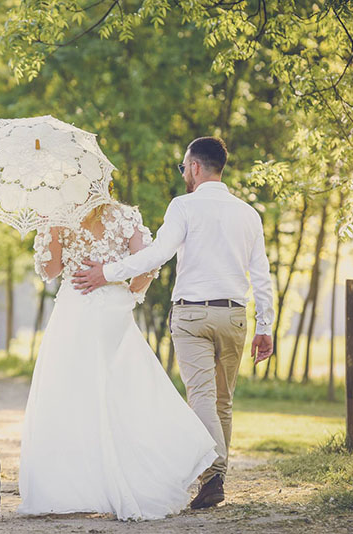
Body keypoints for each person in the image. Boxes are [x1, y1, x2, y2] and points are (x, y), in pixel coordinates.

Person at [72, 137, 275, 509]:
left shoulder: (183, 206)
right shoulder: (248, 213)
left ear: (195, 167)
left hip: (192, 315)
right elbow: (261, 275)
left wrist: (108, 273)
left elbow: (158, 254)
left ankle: (212, 476)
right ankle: (217, 476)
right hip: (234, 316)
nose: (184, 173)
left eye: (183, 167)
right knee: (223, 402)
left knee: (202, 397)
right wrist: (266, 325)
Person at [17, 200, 218, 521]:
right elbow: (149, 265)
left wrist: (49, 226)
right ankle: (130, 474)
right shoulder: (127, 215)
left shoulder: (58, 213)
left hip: (75, 309)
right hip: (113, 309)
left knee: (71, 395)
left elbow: (50, 271)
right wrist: (129, 290)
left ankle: (76, 487)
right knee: (120, 391)